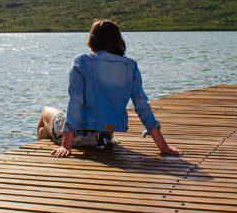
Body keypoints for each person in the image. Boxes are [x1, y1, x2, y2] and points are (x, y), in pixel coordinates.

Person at [37, 20, 182, 158]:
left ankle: (43, 160)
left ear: (93, 40)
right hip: (104, 137)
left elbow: (76, 102)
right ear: (118, 41)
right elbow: (142, 107)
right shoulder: (130, 66)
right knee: (46, 129)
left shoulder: (82, 62)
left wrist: (66, 146)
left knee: (45, 114)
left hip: (79, 136)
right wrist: (163, 147)